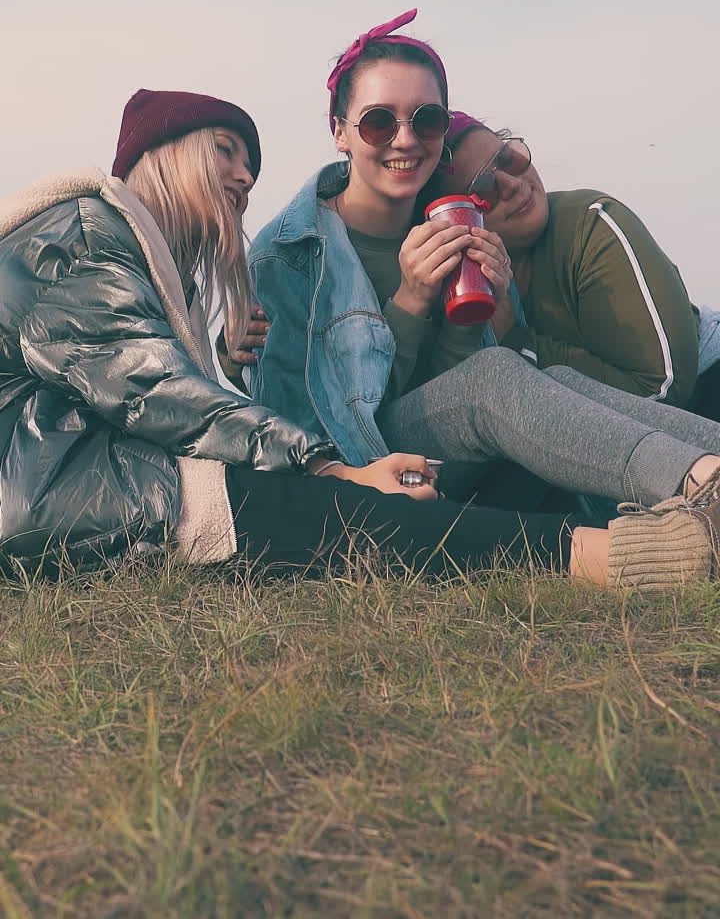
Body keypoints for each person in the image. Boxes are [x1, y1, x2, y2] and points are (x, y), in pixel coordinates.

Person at [5, 83, 691, 590]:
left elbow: (141, 387)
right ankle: (625, 554)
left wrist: (494, 317)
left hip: (80, 482)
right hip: (54, 496)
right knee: (329, 515)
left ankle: (701, 477)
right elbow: (153, 391)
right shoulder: (91, 230)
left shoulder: (143, 263)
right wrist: (328, 462)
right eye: (224, 151)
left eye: (426, 119)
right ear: (342, 132)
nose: (244, 176)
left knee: (529, 386)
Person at [224, 10, 720, 589]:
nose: (405, 139)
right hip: (362, 471)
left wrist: (475, 314)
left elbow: (454, 396)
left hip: (455, 458)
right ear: (340, 132)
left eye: (426, 120)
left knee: (546, 375)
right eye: (379, 122)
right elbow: (303, 428)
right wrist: (410, 303)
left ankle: (708, 465)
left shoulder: (450, 221)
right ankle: (700, 481)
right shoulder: (289, 253)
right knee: (494, 377)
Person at [433, 111, 719, 419]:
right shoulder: (461, 289)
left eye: (508, 159)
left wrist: (519, 343)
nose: (513, 184)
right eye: (484, 187)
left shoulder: (590, 223)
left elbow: (664, 389)